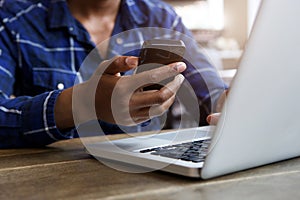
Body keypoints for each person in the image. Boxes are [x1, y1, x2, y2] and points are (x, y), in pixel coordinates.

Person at [0, 0, 226, 148]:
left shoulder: (162, 18)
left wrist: (230, 105)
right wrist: (82, 103)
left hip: (147, 178)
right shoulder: (13, 19)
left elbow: (211, 90)